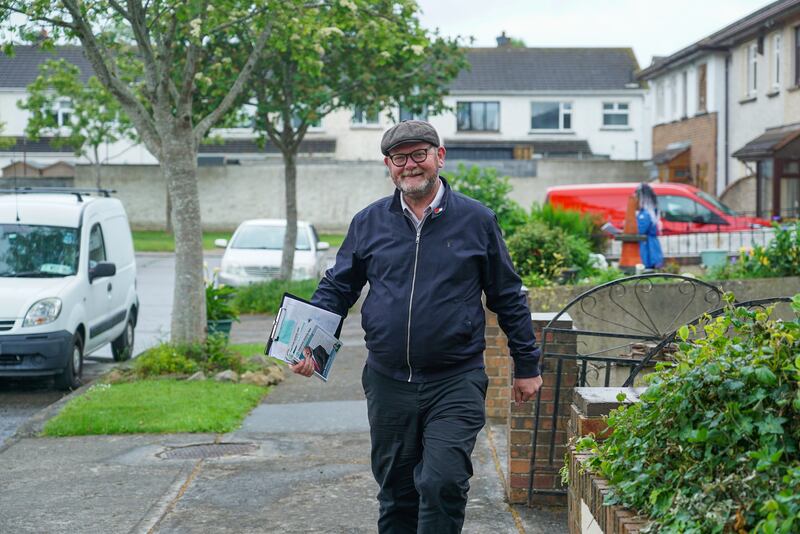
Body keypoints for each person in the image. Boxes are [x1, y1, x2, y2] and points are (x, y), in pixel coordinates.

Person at [289, 120, 542, 534]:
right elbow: (338, 287)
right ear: (388, 166)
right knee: (396, 493)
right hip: (388, 382)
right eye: (399, 157)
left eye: (419, 154)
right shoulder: (369, 222)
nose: (410, 165)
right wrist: (309, 345)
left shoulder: (477, 220)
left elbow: (507, 294)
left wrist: (527, 365)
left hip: (455, 379)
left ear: (439, 157)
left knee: (444, 482)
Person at [635, 183, 664, 269]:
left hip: (648, 247)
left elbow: (641, 230)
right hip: (651, 245)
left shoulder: (645, 213)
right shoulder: (651, 211)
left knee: (648, 269)